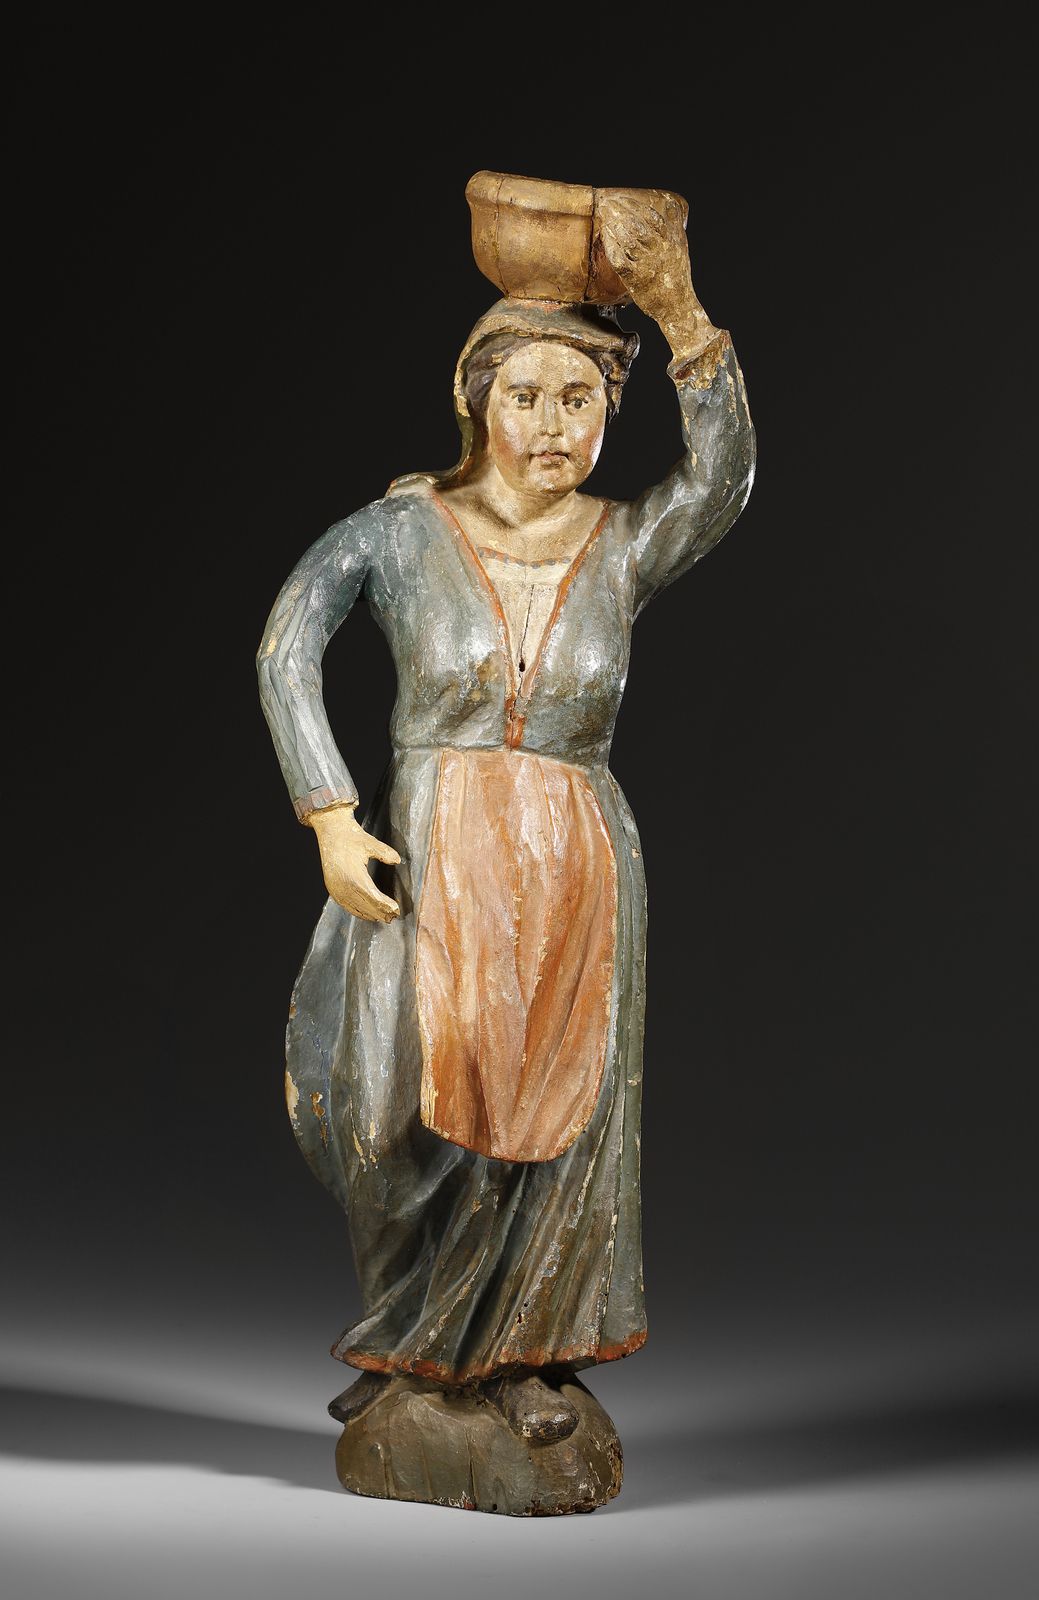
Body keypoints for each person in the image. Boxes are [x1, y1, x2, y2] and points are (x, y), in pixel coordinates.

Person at [257, 192, 755, 1444]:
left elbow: (724, 477)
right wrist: (329, 817)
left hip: (576, 862)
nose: (551, 426)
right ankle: (416, 1334)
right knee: (384, 1103)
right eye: (525, 396)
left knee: (553, 1117)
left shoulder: (623, 544)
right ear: (476, 400)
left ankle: (521, 1357)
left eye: (579, 399)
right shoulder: (402, 528)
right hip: (433, 854)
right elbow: (286, 644)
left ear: (609, 413)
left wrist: (680, 313)